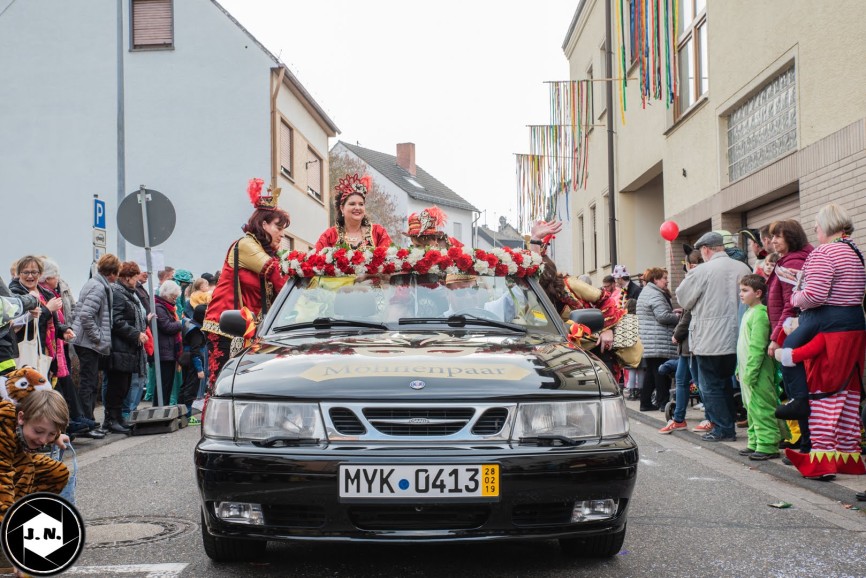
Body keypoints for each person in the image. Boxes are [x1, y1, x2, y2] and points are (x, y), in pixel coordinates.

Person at [774, 204, 866, 479]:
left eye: (816, 225)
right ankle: (848, 458)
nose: (814, 230)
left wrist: (795, 296)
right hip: (854, 325)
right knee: (847, 394)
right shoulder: (855, 251)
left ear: (826, 226)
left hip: (826, 322)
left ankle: (801, 406)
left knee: (818, 388)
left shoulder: (825, 252)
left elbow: (814, 296)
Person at [203, 178, 290, 388]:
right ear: (263, 224)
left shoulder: (268, 252)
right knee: (221, 386)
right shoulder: (246, 245)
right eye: (279, 227)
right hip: (226, 327)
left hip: (251, 330)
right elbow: (278, 276)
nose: (283, 233)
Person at [676, 231, 752, 442]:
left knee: (711, 386)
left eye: (702, 251)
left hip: (710, 339)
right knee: (727, 384)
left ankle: (723, 428)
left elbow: (683, 299)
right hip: (738, 337)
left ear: (707, 249)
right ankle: (730, 425)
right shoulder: (743, 267)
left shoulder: (702, 270)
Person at [764, 219, 813, 448]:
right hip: (791, 330)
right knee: (797, 392)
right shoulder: (792, 259)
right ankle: (804, 438)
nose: (772, 241)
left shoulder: (793, 262)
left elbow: (789, 305)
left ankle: (807, 442)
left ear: (791, 238)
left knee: (799, 393)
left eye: (777, 237)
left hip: (792, 332)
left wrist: (776, 339)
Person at [0, 388, 70, 516]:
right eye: (38, 432)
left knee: (56, 472)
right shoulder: (3, 432)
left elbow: (45, 427)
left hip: (12, 462)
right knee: (26, 468)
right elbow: (2, 484)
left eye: (50, 434)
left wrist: (56, 436)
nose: (43, 440)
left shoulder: (25, 425)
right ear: (21, 418)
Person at [735, 274, 781, 459]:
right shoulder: (748, 312)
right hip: (747, 370)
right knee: (751, 408)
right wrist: (740, 369)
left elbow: (758, 346)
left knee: (762, 407)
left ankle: (768, 444)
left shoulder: (761, 313)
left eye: (745, 290)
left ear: (758, 293)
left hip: (758, 372)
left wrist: (751, 372)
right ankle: (755, 442)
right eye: (740, 290)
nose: (741, 294)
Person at [70, 253, 120, 422]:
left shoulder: (95, 283)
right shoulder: (99, 287)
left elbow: (78, 311)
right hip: (87, 342)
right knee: (89, 383)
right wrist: (98, 337)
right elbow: (85, 315)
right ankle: (86, 420)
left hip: (84, 340)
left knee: (89, 382)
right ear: (112, 273)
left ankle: (87, 419)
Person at [659, 249, 702, 433]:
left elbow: (689, 313)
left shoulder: (696, 281)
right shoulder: (692, 281)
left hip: (691, 343)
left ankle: (710, 417)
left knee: (700, 382)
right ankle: (678, 418)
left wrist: (677, 334)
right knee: (682, 380)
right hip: (686, 345)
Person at [106, 262, 151, 433]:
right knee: (117, 385)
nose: (136, 280)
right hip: (119, 347)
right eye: (134, 277)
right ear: (126, 277)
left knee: (123, 385)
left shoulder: (128, 293)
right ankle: (111, 420)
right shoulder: (119, 293)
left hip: (128, 348)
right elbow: (116, 321)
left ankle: (117, 419)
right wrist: (136, 334)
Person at [635, 267, 679, 412]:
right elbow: (662, 317)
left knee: (651, 373)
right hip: (658, 340)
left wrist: (670, 312)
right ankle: (663, 403)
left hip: (650, 340)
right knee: (661, 373)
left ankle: (646, 402)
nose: (667, 281)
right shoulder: (655, 294)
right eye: (664, 278)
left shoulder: (647, 292)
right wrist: (678, 317)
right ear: (655, 279)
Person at [316, 173, 391, 250]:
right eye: (352, 204)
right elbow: (316, 258)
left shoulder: (378, 233)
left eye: (361, 204)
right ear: (342, 208)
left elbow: (390, 257)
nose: (357, 208)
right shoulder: (330, 235)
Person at [153, 280, 182, 407]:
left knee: (167, 383)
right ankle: (159, 407)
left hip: (168, 351)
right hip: (165, 351)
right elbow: (167, 326)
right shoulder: (160, 307)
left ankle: (163, 406)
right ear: (166, 294)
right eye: (173, 297)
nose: (174, 300)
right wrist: (181, 323)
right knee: (163, 383)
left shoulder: (165, 307)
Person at [179, 304, 206, 425]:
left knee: (185, 387)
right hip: (193, 361)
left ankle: (181, 413)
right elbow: (195, 351)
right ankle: (188, 415)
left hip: (186, 358)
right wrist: (199, 369)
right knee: (191, 388)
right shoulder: (196, 331)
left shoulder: (189, 324)